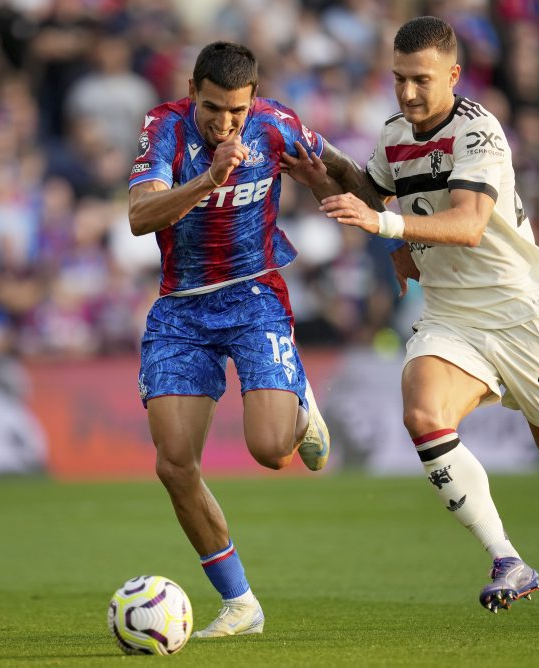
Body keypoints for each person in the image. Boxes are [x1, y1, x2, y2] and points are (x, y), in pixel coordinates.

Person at [283, 16, 539, 625]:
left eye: (421, 80)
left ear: (454, 75)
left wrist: (387, 229)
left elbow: (465, 224)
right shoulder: (393, 135)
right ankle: (507, 560)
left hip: (524, 314)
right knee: (421, 412)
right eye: (398, 80)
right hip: (452, 317)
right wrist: (321, 167)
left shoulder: (479, 134)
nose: (408, 93)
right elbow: (369, 191)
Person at [127, 41, 364, 638]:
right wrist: (209, 179)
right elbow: (140, 216)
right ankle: (241, 605)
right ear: (193, 90)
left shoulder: (277, 125)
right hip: (180, 308)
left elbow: (342, 169)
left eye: (236, 111)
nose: (224, 123)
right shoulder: (164, 128)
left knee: (270, 452)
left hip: (253, 294)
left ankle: (299, 405)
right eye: (212, 109)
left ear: (253, 99)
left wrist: (397, 231)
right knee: (174, 464)